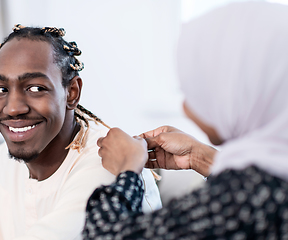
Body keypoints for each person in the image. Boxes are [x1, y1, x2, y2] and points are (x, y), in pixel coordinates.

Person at [0, 25, 162, 240]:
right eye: (0, 89)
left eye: (36, 88)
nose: (13, 108)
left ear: (72, 93)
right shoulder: (2, 162)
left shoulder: (108, 164)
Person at [83, 2, 288, 239]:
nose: (186, 108)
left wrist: (127, 169)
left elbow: (108, 235)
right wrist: (200, 156)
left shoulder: (242, 202)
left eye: (196, 90)